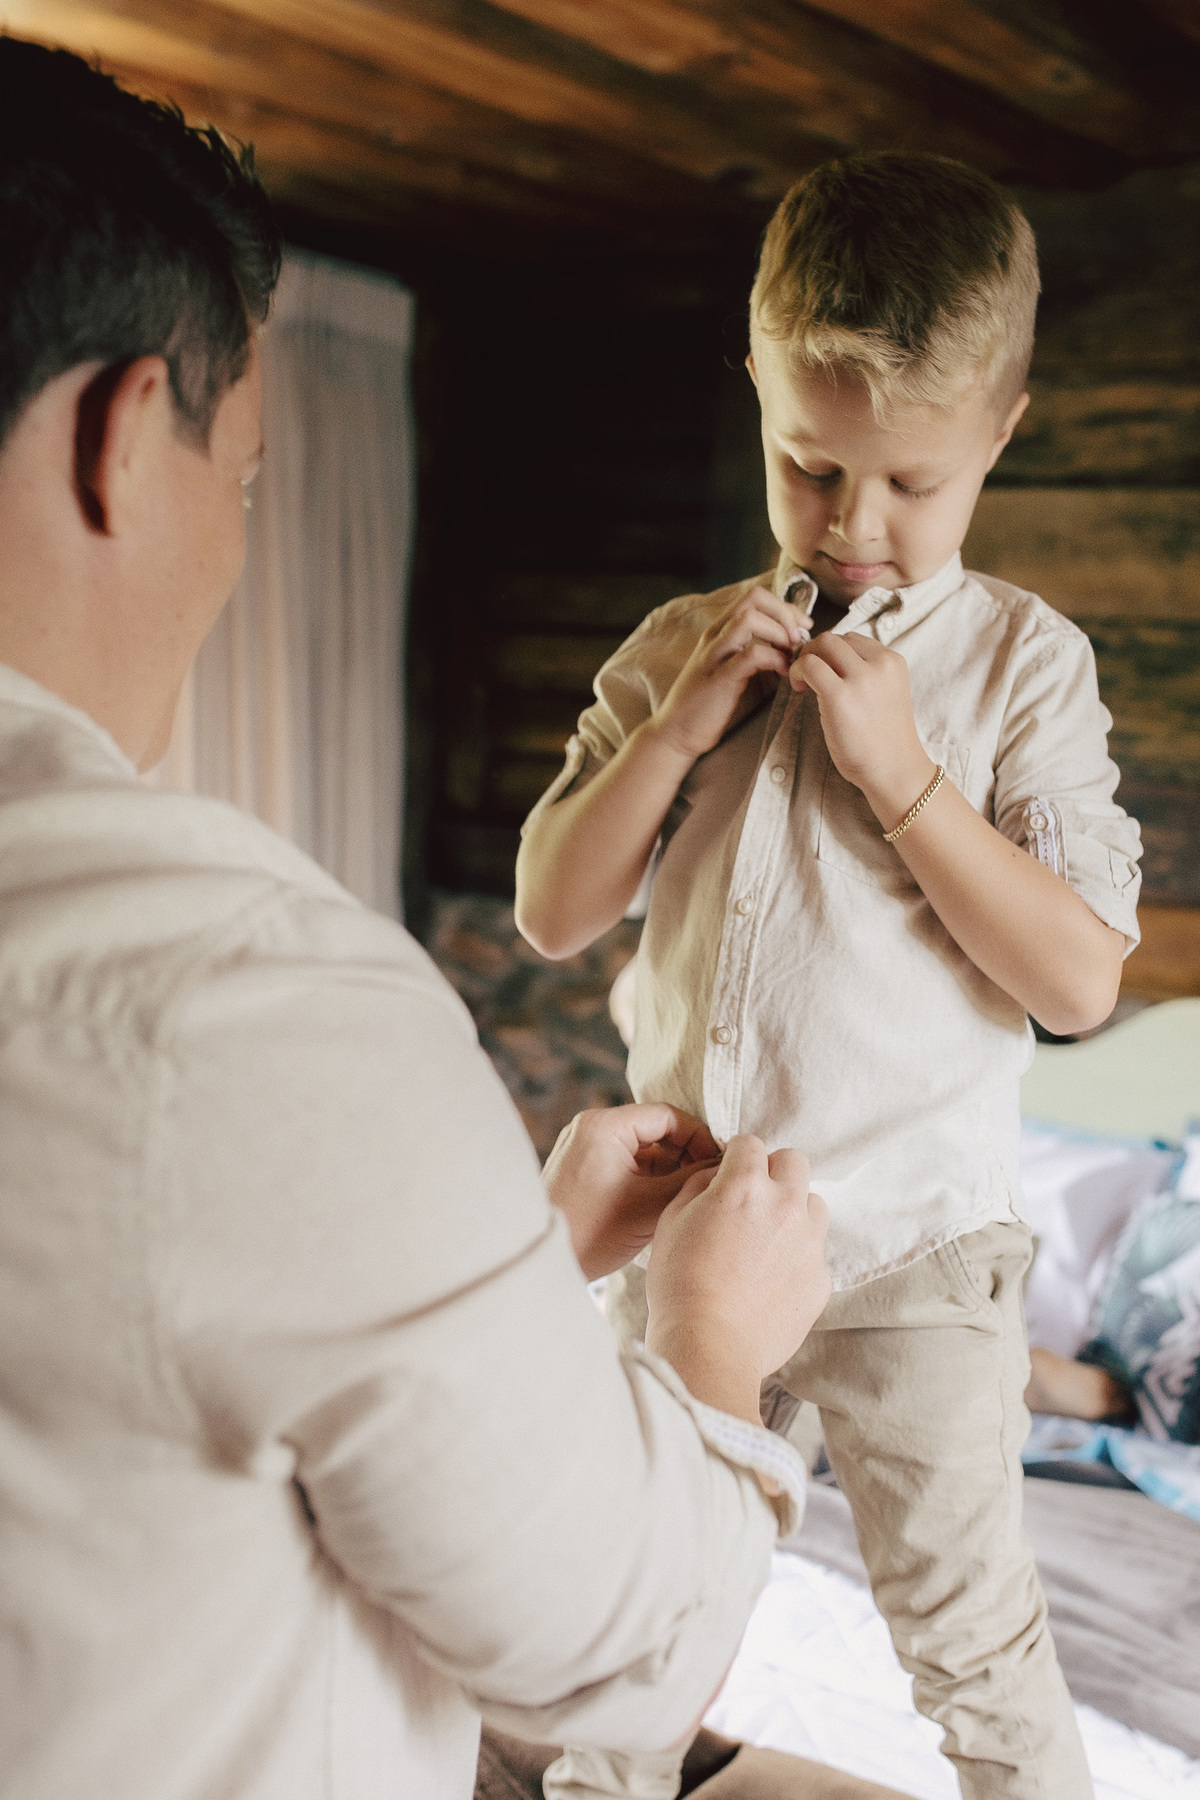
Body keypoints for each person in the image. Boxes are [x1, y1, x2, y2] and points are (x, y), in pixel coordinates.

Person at [0, 39, 843, 1800]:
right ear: (113, 436)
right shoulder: (237, 997)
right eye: (241, 485)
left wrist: (515, 1269)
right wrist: (710, 1345)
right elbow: (620, 1649)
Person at [517, 153, 1144, 1800]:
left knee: (970, 1628)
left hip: (920, 1257)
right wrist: (674, 731)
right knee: (642, 1591)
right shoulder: (679, 642)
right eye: (811, 468)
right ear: (755, 389)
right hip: (696, 1238)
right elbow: (551, 915)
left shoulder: (1027, 668)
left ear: (1001, 432)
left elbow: (1079, 983)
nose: (857, 531)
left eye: (909, 484)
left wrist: (908, 781)